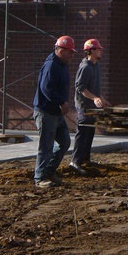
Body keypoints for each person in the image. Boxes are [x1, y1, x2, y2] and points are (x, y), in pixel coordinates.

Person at [33, 35, 75, 188]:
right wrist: (61, 102)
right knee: (46, 146)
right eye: (69, 52)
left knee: (64, 142)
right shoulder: (51, 66)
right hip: (46, 112)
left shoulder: (62, 65)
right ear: (61, 50)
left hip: (56, 113)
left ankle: (49, 171)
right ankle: (40, 178)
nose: (71, 55)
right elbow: (46, 88)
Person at [71, 38, 111, 175]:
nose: (101, 51)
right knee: (82, 133)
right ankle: (75, 161)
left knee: (90, 133)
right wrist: (94, 98)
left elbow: (95, 88)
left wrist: (102, 99)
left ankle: (85, 159)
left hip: (92, 106)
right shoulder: (86, 67)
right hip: (84, 106)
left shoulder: (96, 66)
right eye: (98, 49)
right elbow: (80, 87)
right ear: (91, 51)